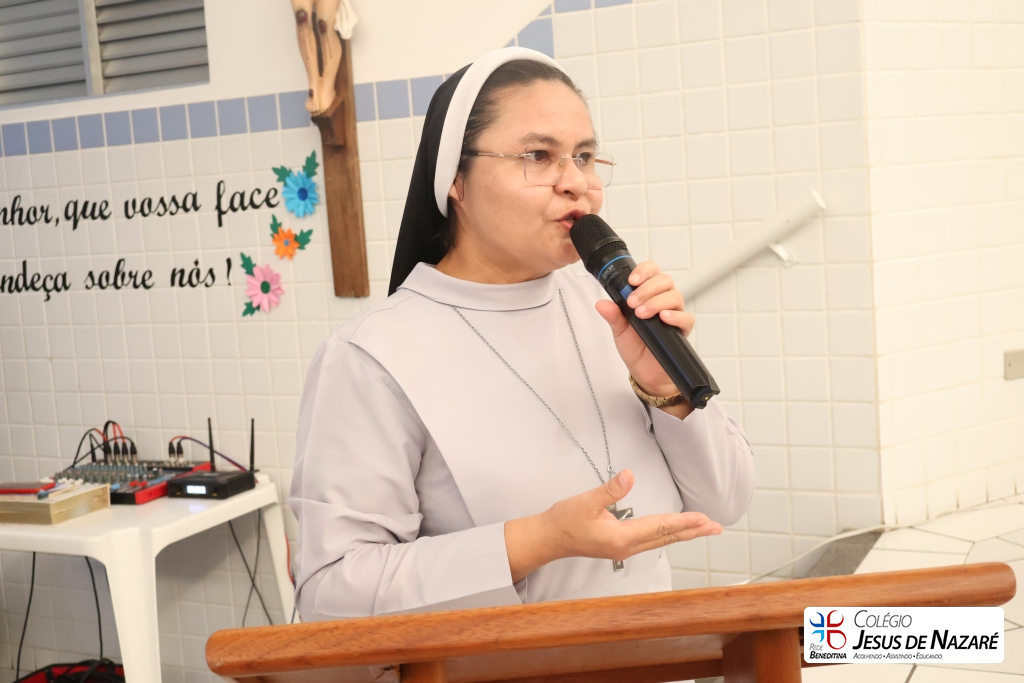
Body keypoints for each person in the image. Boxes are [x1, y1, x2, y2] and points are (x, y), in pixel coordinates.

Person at [289, 47, 756, 621]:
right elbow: (331, 596)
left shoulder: (611, 311)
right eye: (539, 155)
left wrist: (667, 391)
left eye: (585, 157)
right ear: (455, 179)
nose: (577, 183)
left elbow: (726, 501)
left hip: (655, 654)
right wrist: (539, 540)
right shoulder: (370, 356)